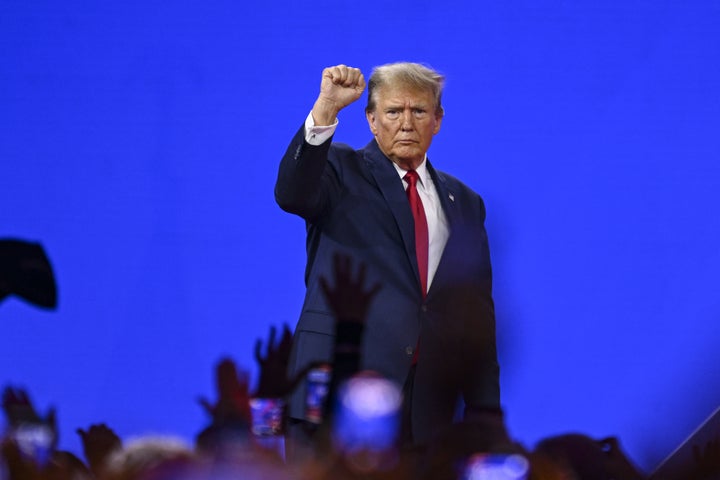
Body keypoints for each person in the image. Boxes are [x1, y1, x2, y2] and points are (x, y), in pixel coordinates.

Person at [275, 62, 501, 451]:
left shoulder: (465, 203)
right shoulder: (340, 170)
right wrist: (326, 108)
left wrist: (486, 415)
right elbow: (292, 194)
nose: (407, 123)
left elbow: (476, 312)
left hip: (427, 410)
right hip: (335, 395)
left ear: (438, 120)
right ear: (372, 120)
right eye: (394, 112)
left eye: (419, 111)